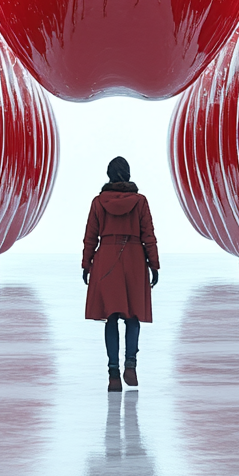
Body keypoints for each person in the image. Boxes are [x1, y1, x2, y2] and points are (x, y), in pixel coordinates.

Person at [83, 156, 159, 392]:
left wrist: (86, 264)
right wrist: (154, 264)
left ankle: (113, 373)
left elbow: (90, 236)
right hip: (134, 259)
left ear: (109, 175)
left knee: (111, 316)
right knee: (133, 316)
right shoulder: (140, 202)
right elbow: (148, 234)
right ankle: (131, 364)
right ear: (127, 174)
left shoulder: (98, 203)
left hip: (106, 258)